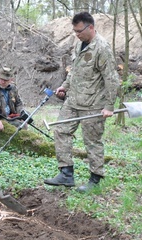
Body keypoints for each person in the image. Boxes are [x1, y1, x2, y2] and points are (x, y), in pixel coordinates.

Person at [43, 12, 120, 193]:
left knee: (92, 141)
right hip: (73, 100)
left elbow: (111, 79)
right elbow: (75, 71)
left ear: (91, 27)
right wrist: (64, 86)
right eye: (75, 31)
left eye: (79, 31)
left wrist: (109, 106)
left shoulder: (102, 48)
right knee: (61, 130)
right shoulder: (79, 45)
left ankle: (95, 178)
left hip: (93, 103)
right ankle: (66, 173)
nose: (76, 34)